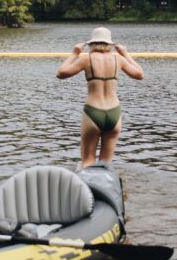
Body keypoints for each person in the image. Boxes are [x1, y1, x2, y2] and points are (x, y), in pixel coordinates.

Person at [56, 27, 144, 169]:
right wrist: (126, 55)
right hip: (114, 113)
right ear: (110, 44)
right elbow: (140, 74)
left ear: (92, 43)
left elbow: (61, 73)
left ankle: (87, 189)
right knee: (105, 164)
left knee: (87, 162)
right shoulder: (119, 59)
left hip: (93, 111)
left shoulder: (86, 59)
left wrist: (74, 54)